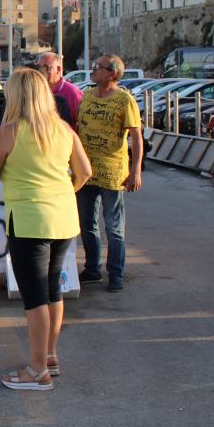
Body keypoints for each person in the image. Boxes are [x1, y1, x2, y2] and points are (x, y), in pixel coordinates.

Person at [0, 69, 92, 391]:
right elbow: (85, 171)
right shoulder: (64, 129)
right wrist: (64, 190)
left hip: (29, 221)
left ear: (14, 96)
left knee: (34, 298)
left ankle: (37, 369)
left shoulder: (10, 131)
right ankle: (50, 355)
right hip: (64, 217)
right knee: (53, 288)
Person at [76, 54, 143, 292]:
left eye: (98, 67)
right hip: (86, 173)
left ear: (112, 74)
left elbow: (136, 137)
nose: (93, 70)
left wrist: (135, 171)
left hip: (113, 174)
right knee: (87, 225)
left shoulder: (124, 100)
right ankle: (92, 268)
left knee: (114, 227)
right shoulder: (85, 96)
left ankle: (116, 273)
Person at [37, 52, 83, 129]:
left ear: (58, 69)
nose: (41, 71)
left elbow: (81, 122)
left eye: (45, 67)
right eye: (39, 67)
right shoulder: (36, 91)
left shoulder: (72, 92)